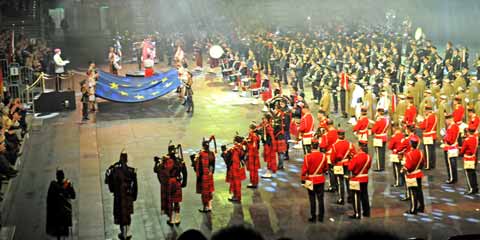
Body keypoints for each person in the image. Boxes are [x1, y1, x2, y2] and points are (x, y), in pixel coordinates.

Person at [105, 150, 138, 240]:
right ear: (126, 159)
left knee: (120, 214)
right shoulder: (131, 171)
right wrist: (134, 196)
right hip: (128, 196)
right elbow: (135, 185)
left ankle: (122, 232)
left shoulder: (114, 170)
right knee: (127, 215)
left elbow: (109, 183)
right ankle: (126, 233)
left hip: (118, 196)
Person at [301, 139, 328, 223]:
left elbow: (304, 170)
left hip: (311, 180)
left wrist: (303, 180)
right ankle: (321, 217)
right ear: (318, 146)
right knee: (321, 199)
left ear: (311, 146)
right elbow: (325, 168)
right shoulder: (324, 156)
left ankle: (313, 216)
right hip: (320, 179)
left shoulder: (307, 157)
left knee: (312, 199)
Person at [46, 169, 76, 240]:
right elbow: (73, 196)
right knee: (64, 233)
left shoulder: (53, 185)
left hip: (56, 213)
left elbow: (49, 198)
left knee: (58, 233)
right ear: (63, 176)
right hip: (64, 212)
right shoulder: (67, 184)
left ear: (57, 177)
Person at [330, 129, 356, 204]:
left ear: (338, 136)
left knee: (340, 182)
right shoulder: (349, 144)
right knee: (348, 181)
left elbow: (332, 158)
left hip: (338, 165)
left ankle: (341, 198)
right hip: (347, 164)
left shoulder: (335, 145)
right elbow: (353, 154)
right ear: (344, 135)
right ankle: (350, 197)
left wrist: (333, 163)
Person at [401, 137, 425, 214]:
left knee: (413, 193)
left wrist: (402, 170)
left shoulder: (409, 154)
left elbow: (408, 166)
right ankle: (421, 207)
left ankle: (413, 209)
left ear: (411, 144)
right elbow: (422, 163)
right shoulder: (420, 153)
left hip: (412, 175)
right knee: (419, 191)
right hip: (419, 173)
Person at [348, 146, 371, 219]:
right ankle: (366, 212)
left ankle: (357, 213)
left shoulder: (356, 157)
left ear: (360, 149)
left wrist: (351, 160)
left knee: (356, 196)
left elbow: (350, 168)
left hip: (357, 178)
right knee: (365, 195)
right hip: (365, 178)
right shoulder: (368, 157)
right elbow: (368, 166)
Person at [194, 137, 216, 212]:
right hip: (210, 174)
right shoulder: (212, 153)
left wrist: (196, 158)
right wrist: (211, 172)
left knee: (204, 193)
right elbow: (213, 165)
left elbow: (197, 165)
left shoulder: (201, 154)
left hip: (203, 175)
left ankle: (205, 207)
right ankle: (210, 206)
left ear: (203, 146)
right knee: (209, 191)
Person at [223, 136, 246, 202]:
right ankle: (236, 196)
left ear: (235, 141)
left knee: (236, 183)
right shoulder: (241, 147)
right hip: (240, 167)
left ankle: (237, 196)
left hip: (235, 168)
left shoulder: (235, 149)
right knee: (237, 183)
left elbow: (234, 160)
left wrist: (226, 153)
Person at [460, 127, 479, 195]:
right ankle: (475, 187)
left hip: (468, 158)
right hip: (473, 157)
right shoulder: (475, 139)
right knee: (473, 173)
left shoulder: (467, 140)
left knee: (468, 174)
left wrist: (460, 153)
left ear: (468, 132)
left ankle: (471, 188)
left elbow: (463, 150)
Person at [442, 114, 460, 184]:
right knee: (453, 164)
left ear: (449, 119)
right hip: (453, 147)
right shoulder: (453, 126)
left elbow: (450, 140)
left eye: (446, 120)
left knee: (450, 164)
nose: (445, 122)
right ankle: (454, 178)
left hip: (450, 147)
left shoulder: (452, 127)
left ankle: (452, 178)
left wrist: (444, 137)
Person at [418, 106, 437, 170]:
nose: (425, 112)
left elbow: (423, 127)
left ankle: (428, 165)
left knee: (427, 151)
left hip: (428, 136)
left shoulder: (428, 118)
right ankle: (432, 164)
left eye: (425, 111)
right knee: (432, 151)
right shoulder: (435, 116)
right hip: (433, 135)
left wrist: (420, 122)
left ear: (428, 111)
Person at [261, 113, 277, 178]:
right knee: (269, 159)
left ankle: (268, 173)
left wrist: (270, 145)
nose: (263, 120)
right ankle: (268, 172)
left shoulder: (268, 127)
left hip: (269, 145)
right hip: (268, 144)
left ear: (267, 119)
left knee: (269, 159)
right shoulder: (266, 126)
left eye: (265, 118)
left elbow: (271, 136)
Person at [246, 124, 260, 188]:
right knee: (254, 169)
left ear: (252, 129)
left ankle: (253, 182)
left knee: (253, 169)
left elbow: (254, 146)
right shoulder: (254, 135)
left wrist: (247, 143)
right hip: (254, 154)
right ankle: (254, 182)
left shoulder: (253, 136)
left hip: (252, 154)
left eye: (250, 129)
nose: (249, 130)